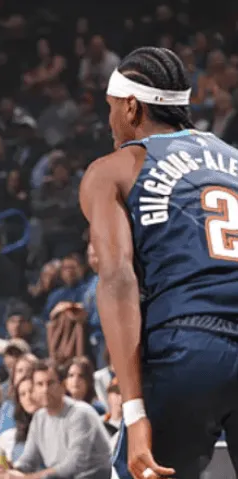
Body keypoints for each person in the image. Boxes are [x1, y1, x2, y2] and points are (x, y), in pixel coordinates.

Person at [80, 46, 238, 479]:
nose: (109, 120)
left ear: (132, 107)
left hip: (189, 343)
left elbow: (117, 279)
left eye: (111, 107)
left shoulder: (113, 169)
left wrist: (134, 414)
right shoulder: (233, 160)